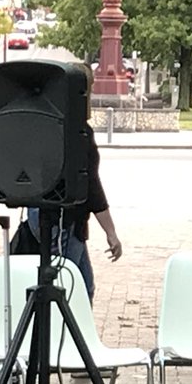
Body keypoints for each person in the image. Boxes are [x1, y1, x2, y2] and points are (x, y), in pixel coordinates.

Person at [27, 64, 122, 303]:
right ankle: (64, 338)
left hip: (43, 214)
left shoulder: (47, 125)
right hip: (65, 220)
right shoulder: (79, 133)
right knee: (67, 291)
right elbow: (91, 186)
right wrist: (111, 233)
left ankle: (75, 338)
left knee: (81, 286)